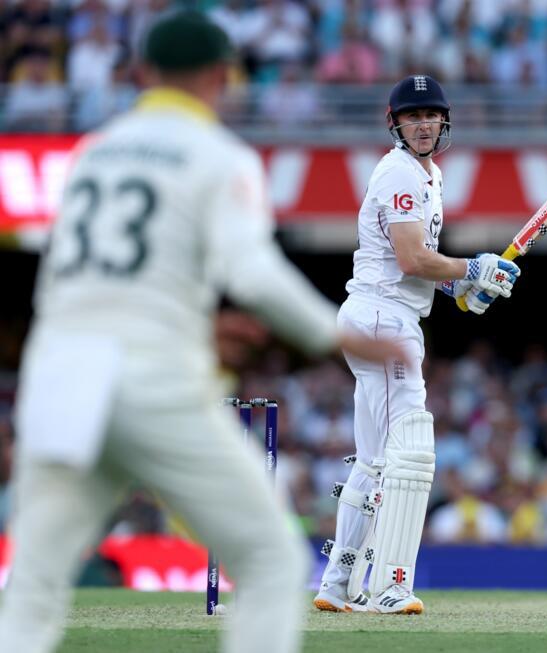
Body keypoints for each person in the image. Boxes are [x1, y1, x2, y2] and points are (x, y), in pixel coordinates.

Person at [0, 11, 403, 653]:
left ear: (141, 75)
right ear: (224, 76)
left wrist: (194, 326)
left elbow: (91, 285)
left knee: (34, 583)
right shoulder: (221, 155)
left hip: (59, 377)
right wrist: (335, 335)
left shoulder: (91, 151)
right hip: (150, 379)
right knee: (271, 561)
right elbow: (254, 274)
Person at [313, 74, 520, 615]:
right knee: (410, 451)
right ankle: (389, 587)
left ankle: (336, 585)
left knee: (375, 459)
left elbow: (421, 264)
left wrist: (461, 286)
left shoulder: (431, 175)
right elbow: (410, 259)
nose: (423, 124)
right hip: (383, 321)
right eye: (413, 117)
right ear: (396, 123)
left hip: (385, 316)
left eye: (431, 116)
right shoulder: (397, 174)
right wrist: (472, 265)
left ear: (443, 121)